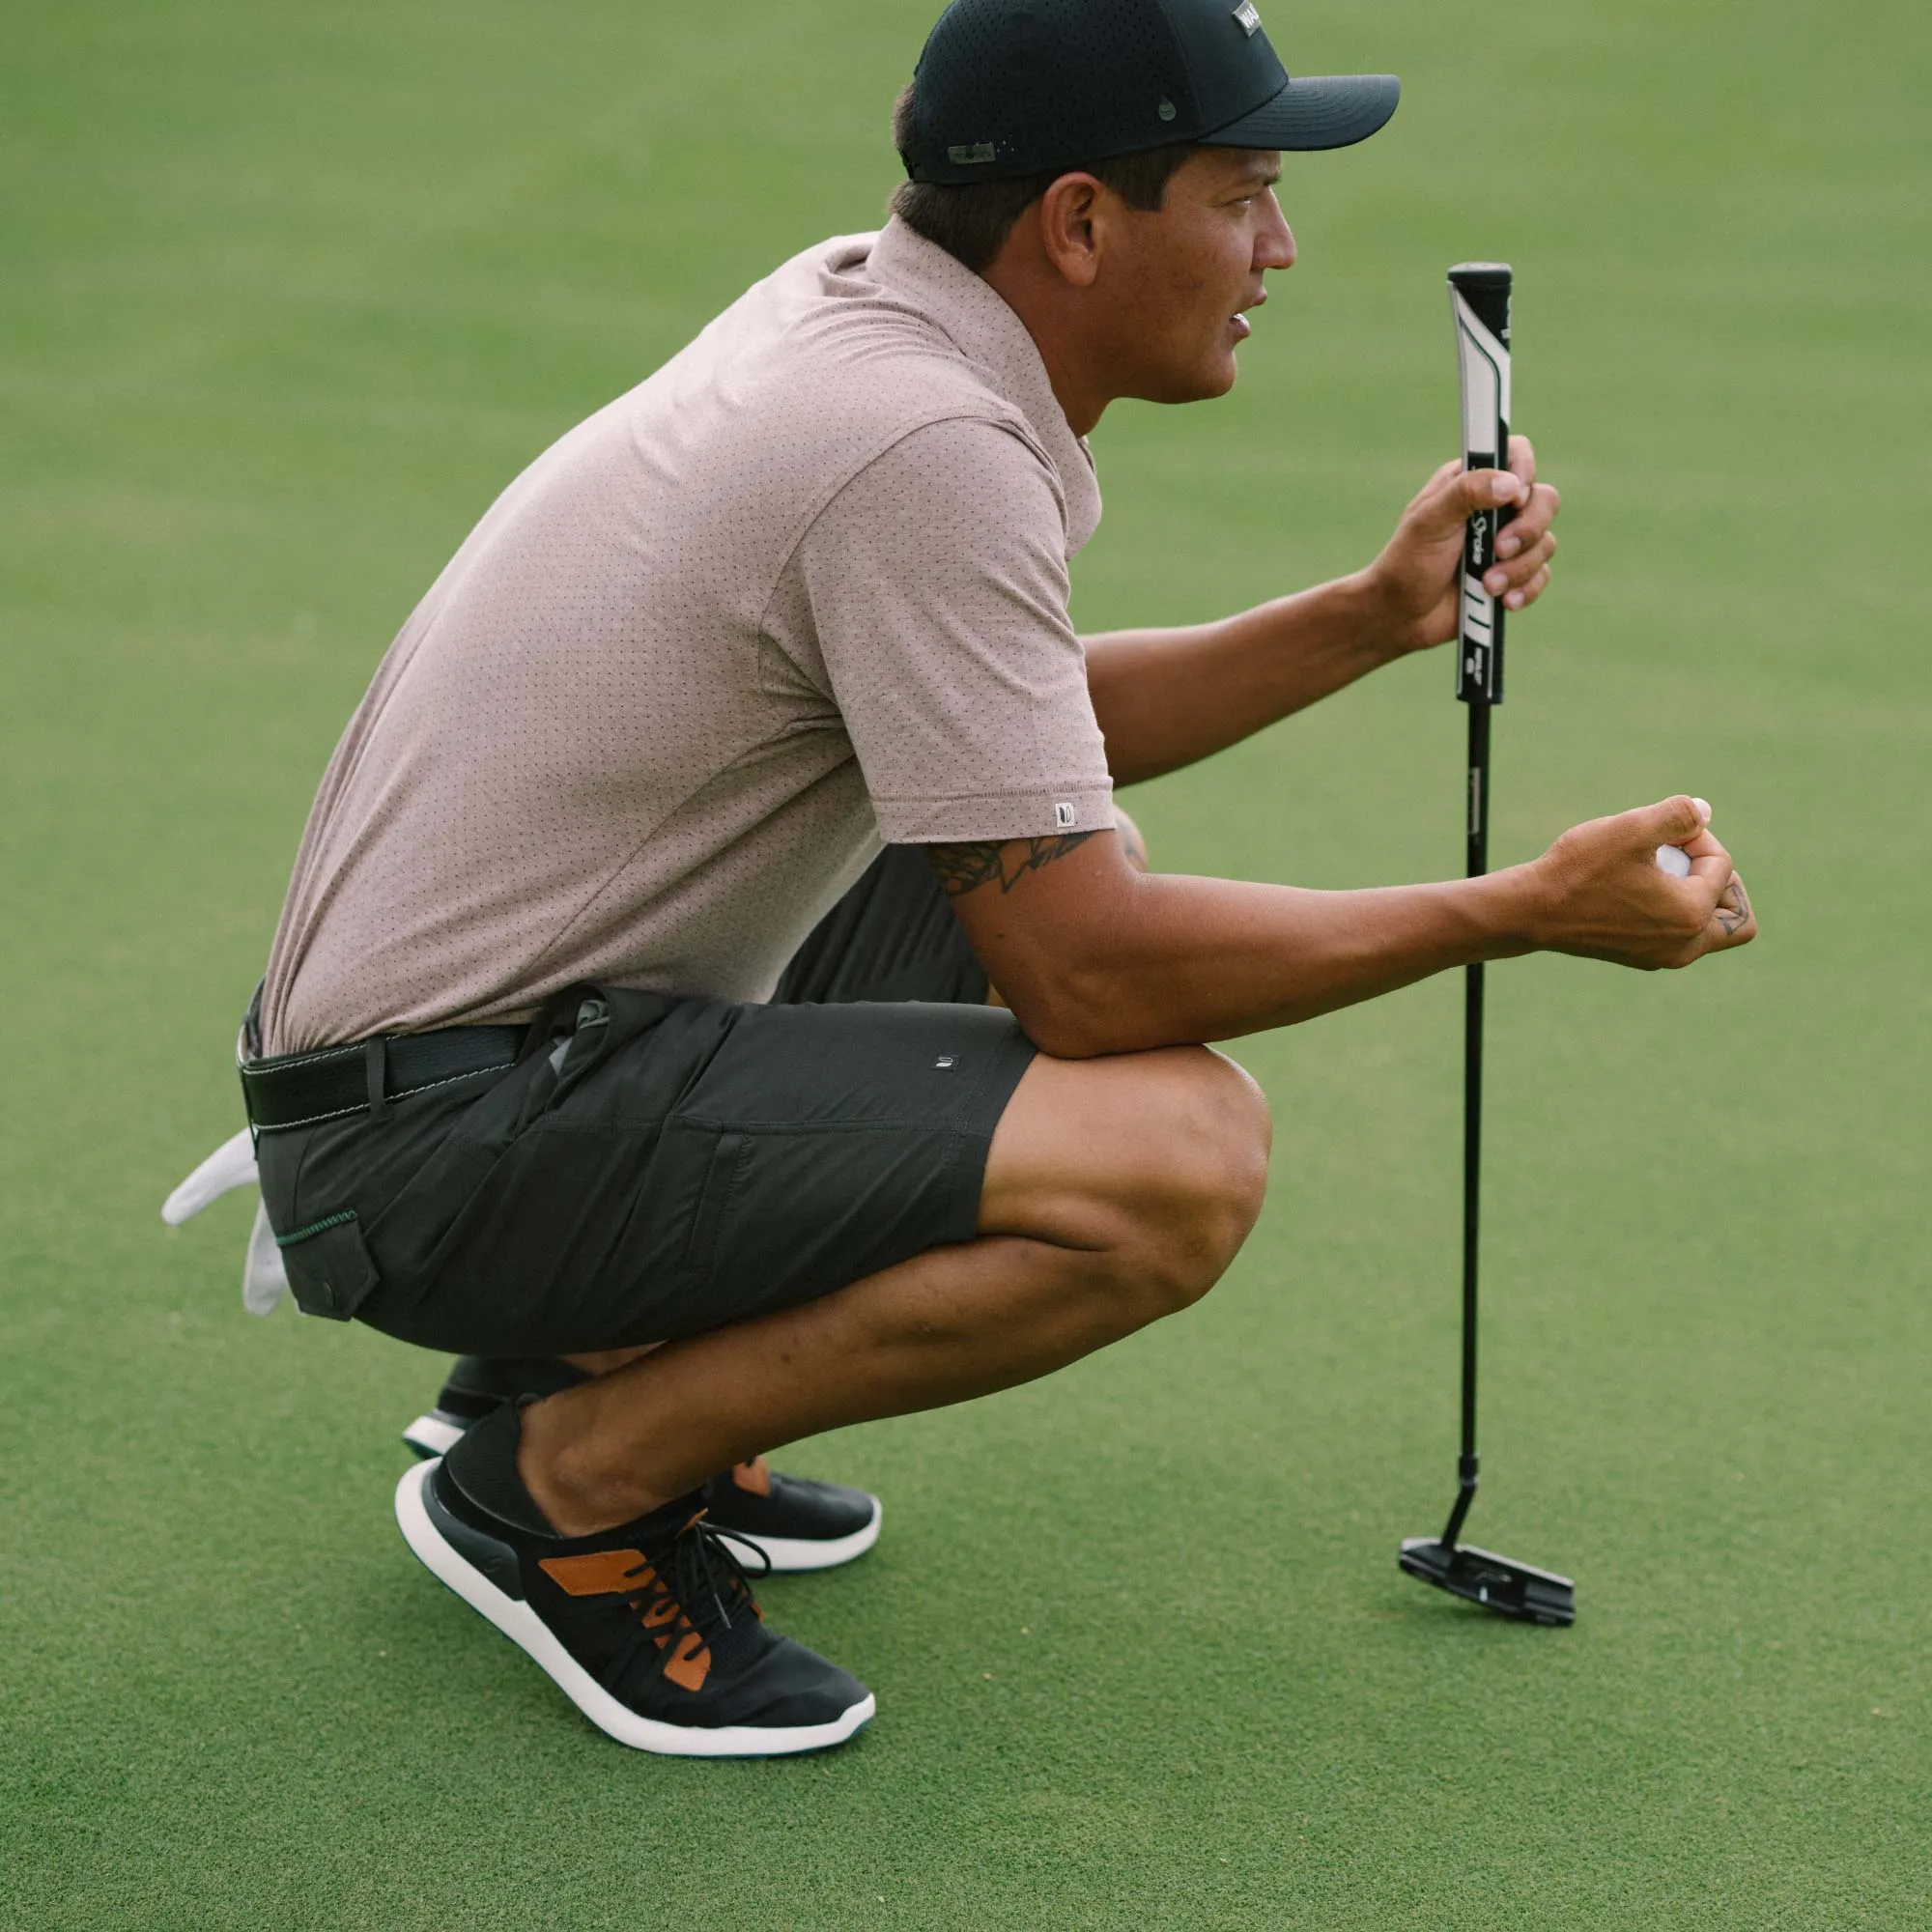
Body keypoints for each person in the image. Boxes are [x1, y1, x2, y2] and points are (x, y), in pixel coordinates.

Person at [239, 0, 1754, 1758]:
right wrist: (1522, 911)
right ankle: (566, 1484)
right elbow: (1091, 977)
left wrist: (1365, 619)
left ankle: (573, 1355)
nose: (1278, 249)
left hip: (452, 1073)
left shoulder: (865, 315)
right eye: (1243, 195)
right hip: (435, 1148)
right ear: (1082, 223)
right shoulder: (921, 448)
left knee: (1022, 840)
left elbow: (998, 727)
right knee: (1174, 1159)